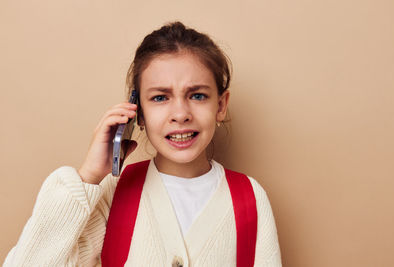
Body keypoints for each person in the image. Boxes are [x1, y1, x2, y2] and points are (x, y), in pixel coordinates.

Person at [3, 21, 282, 266]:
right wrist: (88, 177)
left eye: (197, 95)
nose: (181, 114)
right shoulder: (113, 192)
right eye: (160, 97)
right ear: (138, 113)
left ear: (220, 106)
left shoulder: (249, 198)